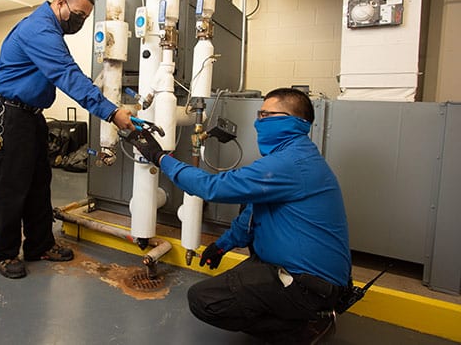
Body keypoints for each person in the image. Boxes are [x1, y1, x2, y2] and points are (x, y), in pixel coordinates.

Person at [124, 88, 351, 344]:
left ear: (293, 121)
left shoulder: (293, 163)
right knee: (247, 206)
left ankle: (305, 326)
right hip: (302, 274)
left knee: (205, 300)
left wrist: (159, 157)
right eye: (259, 113)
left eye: (266, 115)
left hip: (310, 285)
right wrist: (222, 246)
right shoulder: (290, 158)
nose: (258, 121)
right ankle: (300, 315)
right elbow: (252, 213)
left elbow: (212, 187)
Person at [0, 0, 134, 279]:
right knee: (11, 188)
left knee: (39, 185)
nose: (80, 21)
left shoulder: (51, 31)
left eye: (85, 16)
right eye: (78, 14)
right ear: (60, 4)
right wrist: (111, 112)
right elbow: (67, 74)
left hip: (32, 117)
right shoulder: (39, 29)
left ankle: (40, 245)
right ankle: (4, 253)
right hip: (12, 117)